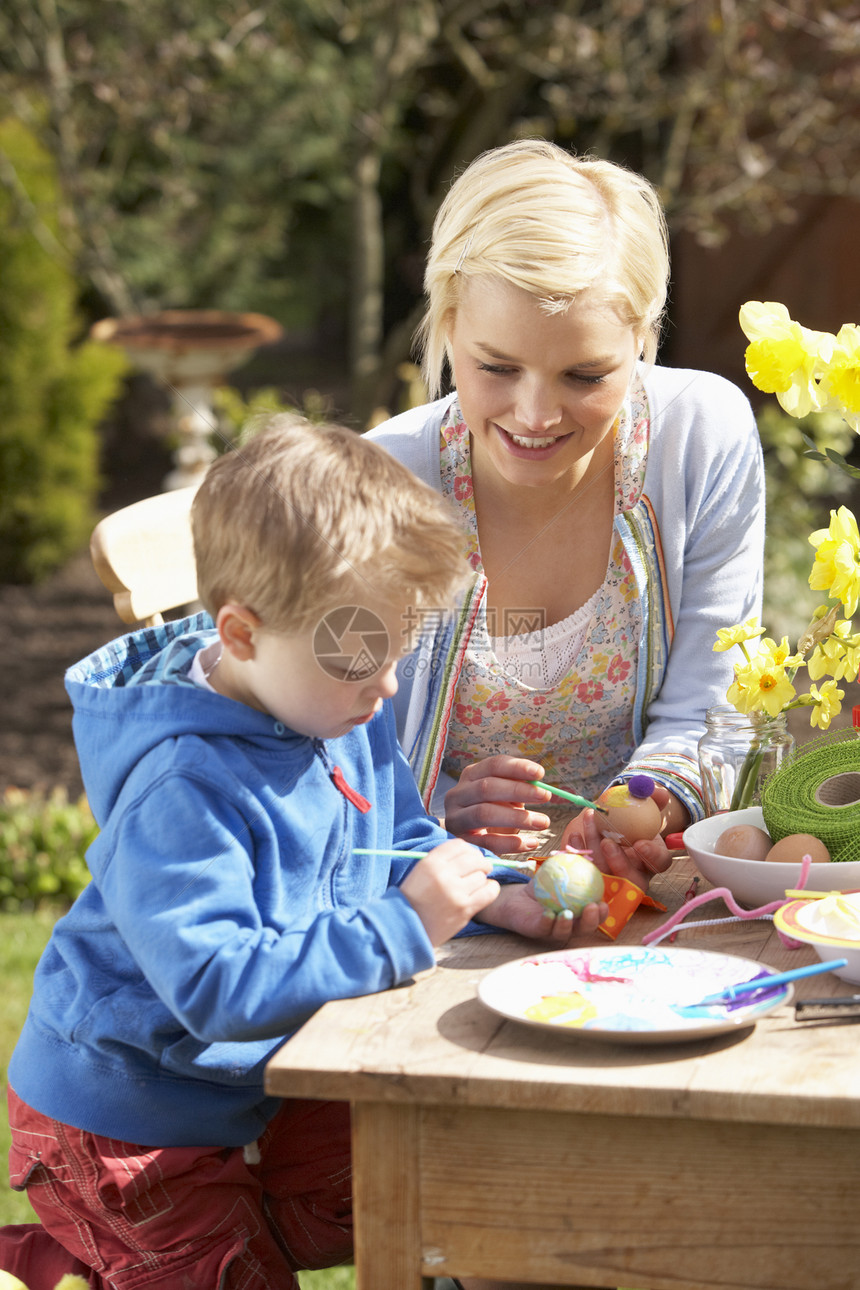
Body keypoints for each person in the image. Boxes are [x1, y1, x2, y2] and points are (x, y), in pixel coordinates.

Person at [1, 417, 603, 1290]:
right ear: (241, 634)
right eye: (363, 661)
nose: (386, 686)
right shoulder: (182, 786)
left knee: (454, 1179)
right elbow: (216, 986)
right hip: (129, 1126)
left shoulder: (329, 705)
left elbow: (394, 837)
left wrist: (493, 895)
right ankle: (71, 1259)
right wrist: (404, 925)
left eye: (397, 655)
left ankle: (122, 1262)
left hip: (259, 1086)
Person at [368, 137, 765, 895]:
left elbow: (716, 708)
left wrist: (640, 810)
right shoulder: (383, 484)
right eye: (497, 367)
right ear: (447, 322)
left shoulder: (699, 438)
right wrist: (438, 809)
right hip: (432, 897)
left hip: (643, 890)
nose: (536, 413)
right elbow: (326, 758)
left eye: (585, 374)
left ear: (645, 337)